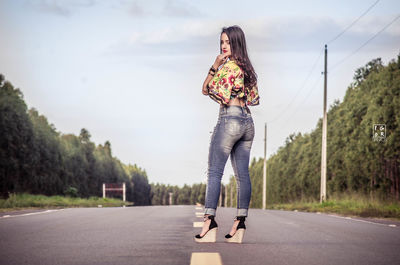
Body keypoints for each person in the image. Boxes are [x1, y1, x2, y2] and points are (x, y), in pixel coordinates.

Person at [194, 25, 259, 243]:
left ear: (236, 43)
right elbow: (253, 99)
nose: (223, 46)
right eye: (222, 42)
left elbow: (206, 89)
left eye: (228, 42)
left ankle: (209, 220)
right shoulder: (247, 67)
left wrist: (214, 66)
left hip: (230, 118)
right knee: (243, 176)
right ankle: (240, 222)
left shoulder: (228, 67)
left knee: (214, 173)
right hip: (248, 122)